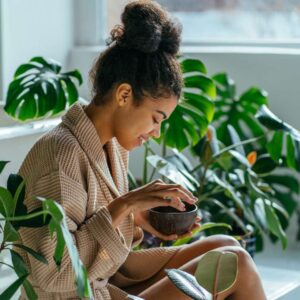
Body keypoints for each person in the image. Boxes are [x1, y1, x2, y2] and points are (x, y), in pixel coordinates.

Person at [16, 1, 266, 299]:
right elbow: (53, 275)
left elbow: (91, 228)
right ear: (124, 94)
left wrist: (138, 217)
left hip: (104, 281)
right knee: (237, 265)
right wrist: (125, 205)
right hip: (73, 294)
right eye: (156, 118)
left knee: (225, 246)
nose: (156, 132)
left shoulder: (110, 145)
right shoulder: (62, 156)